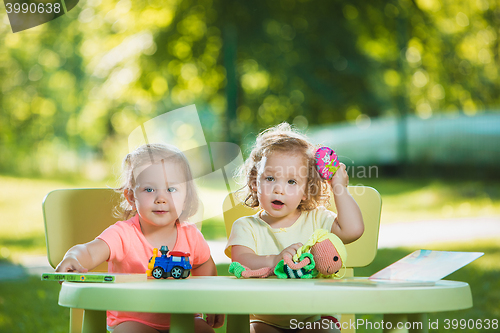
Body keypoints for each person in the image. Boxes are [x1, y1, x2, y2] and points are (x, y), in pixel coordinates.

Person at [56, 143, 224, 333]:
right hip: (132, 319)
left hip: (183, 316)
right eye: (149, 190)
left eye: (171, 189)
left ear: (186, 197)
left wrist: (213, 302)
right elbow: (89, 250)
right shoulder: (122, 234)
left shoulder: (191, 235)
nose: (161, 198)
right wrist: (74, 258)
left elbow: (205, 267)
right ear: (131, 196)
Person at [225, 123, 364, 333]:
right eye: (270, 178)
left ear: (306, 191)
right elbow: (241, 260)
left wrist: (339, 187)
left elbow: (353, 230)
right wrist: (273, 260)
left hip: (314, 316)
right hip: (264, 319)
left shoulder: (316, 220)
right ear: (255, 183)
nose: (279, 189)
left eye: (291, 181)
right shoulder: (246, 227)